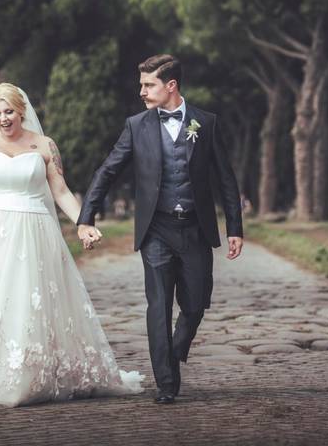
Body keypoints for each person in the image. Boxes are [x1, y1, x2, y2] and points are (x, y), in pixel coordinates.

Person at [0, 83, 143, 406]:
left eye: (9, 112)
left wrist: (84, 223)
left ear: (22, 111)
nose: (4, 119)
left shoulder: (44, 146)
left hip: (33, 232)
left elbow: (61, 192)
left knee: (26, 300)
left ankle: (29, 373)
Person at [77, 54, 244, 404]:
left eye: (148, 84)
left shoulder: (206, 123)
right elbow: (107, 170)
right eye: (141, 84)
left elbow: (226, 180)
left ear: (171, 86)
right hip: (156, 228)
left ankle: (177, 349)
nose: (142, 91)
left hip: (196, 229)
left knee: (196, 303)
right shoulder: (136, 126)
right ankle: (166, 383)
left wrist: (235, 227)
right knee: (158, 306)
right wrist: (86, 216)